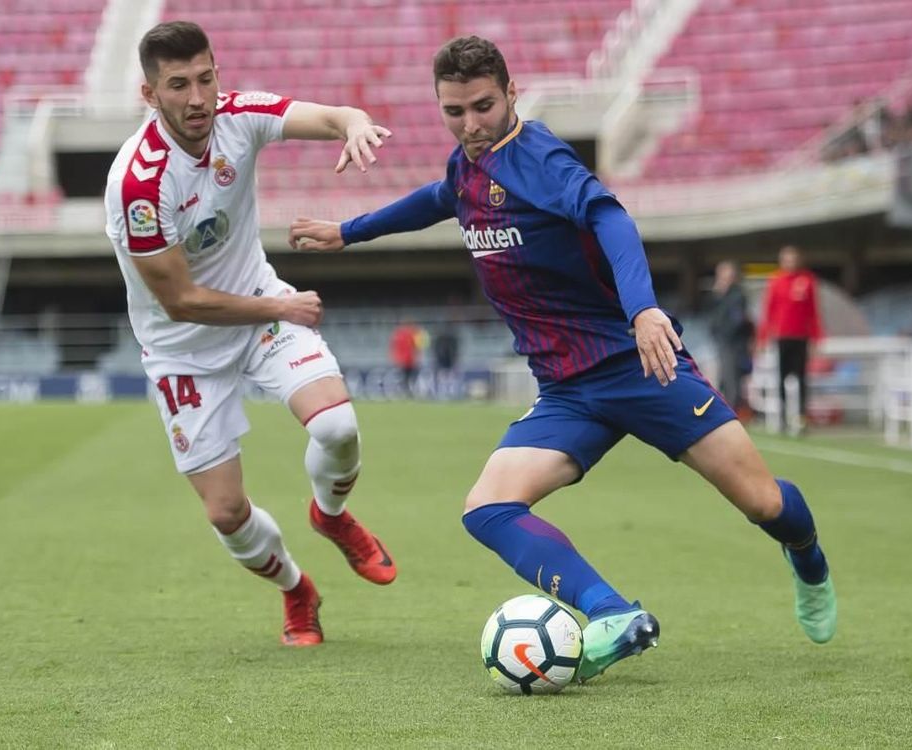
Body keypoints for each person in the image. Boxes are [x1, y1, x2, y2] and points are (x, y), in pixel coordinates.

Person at [288, 35, 836, 682]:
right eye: (454, 111)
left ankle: (807, 556)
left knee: (762, 504)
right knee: (487, 509)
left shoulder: (540, 157)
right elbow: (441, 199)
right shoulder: (468, 165)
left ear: (512, 93)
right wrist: (351, 232)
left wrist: (643, 311)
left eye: (484, 107)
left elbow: (609, 217)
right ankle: (611, 614)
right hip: (566, 393)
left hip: (640, 368)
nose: (471, 124)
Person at [103, 21, 397, 648]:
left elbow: (330, 115)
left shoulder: (240, 115)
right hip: (184, 348)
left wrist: (353, 124)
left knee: (337, 428)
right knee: (226, 513)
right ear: (150, 95)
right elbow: (180, 302)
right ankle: (297, 589)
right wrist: (281, 309)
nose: (198, 97)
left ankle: (332, 516)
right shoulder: (140, 184)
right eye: (178, 85)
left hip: (260, 310)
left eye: (206, 78)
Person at [757, 245, 823, 436]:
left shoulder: (808, 280)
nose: (790, 262)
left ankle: (801, 419)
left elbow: (813, 311)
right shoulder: (776, 280)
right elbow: (768, 311)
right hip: (782, 336)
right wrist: (763, 337)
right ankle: (783, 418)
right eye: (787, 258)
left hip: (801, 337)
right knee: (782, 379)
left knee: (801, 379)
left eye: (793, 258)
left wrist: (817, 337)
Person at [708, 260, 754, 414]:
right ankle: (724, 411)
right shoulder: (718, 296)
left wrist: (727, 334)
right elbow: (713, 318)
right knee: (724, 378)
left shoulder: (737, 296)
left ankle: (732, 413)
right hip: (722, 342)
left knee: (732, 379)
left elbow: (737, 320)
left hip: (734, 343)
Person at [388, 319, 426, 397]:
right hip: (407, 360)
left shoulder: (399, 334)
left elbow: (394, 347)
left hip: (406, 360)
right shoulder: (411, 334)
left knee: (406, 377)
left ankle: (406, 391)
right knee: (408, 377)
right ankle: (406, 391)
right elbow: (417, 346)